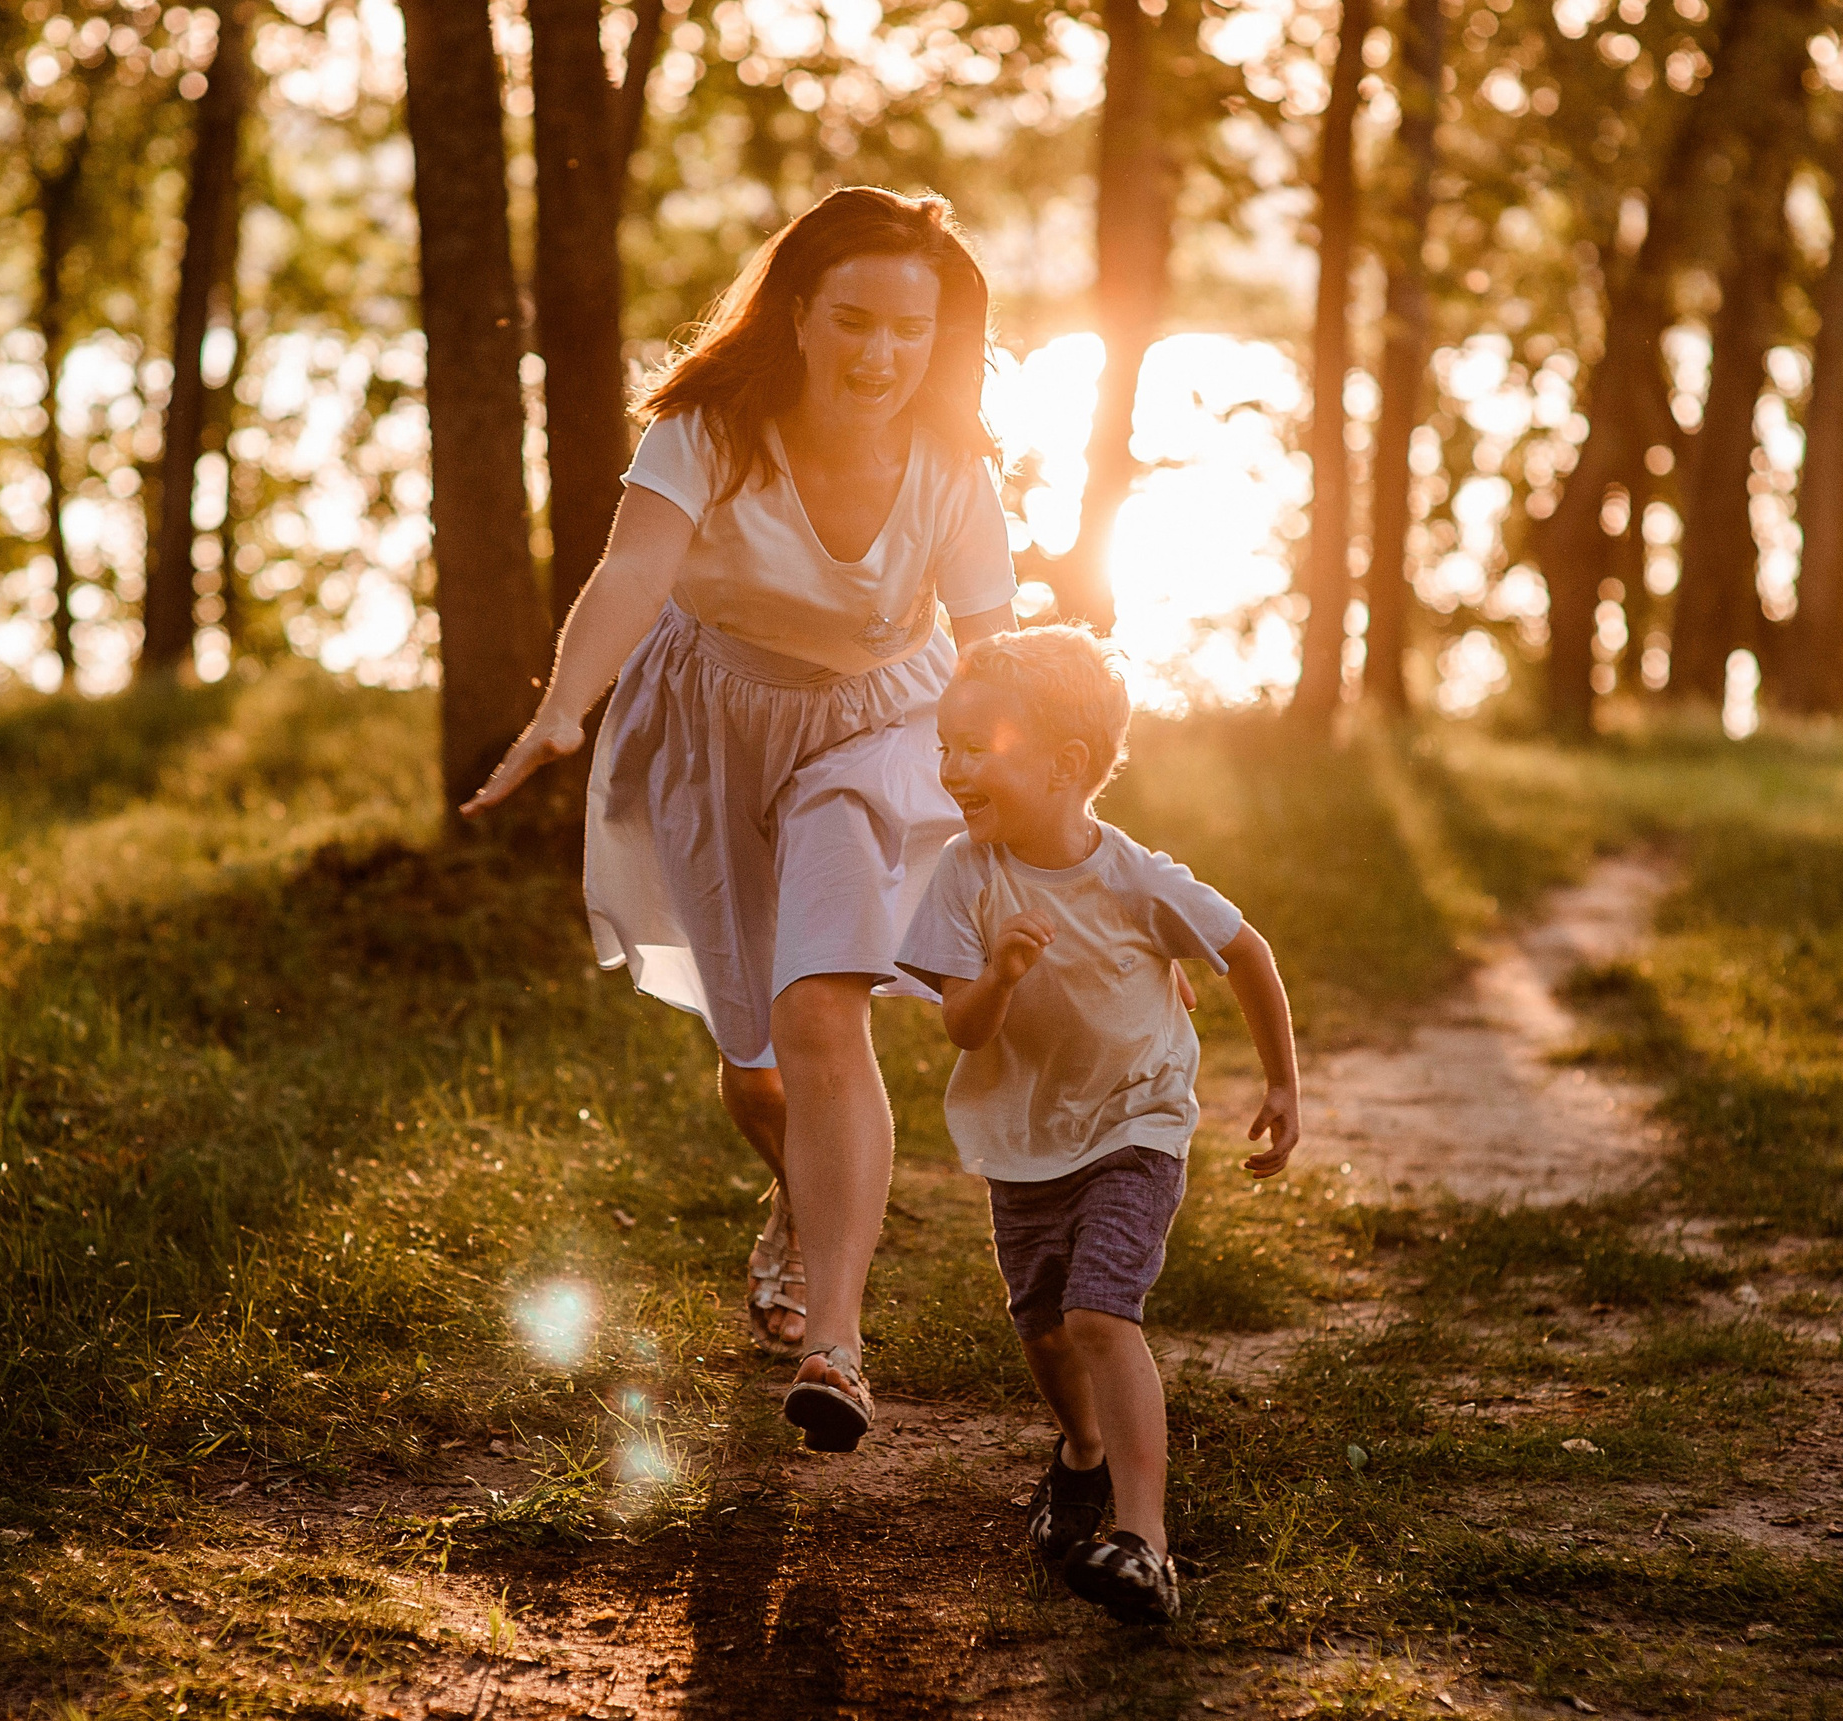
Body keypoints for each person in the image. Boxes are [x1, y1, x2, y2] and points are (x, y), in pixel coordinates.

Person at [462, 187, 1017, 1452]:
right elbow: (632, 571)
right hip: (715, 723)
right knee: (755, 1058)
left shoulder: (951, 465)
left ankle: (837, 1343)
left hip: (874, 733)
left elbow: (992, 647)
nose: (882, 355)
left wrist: (1049, 804)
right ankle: (798, 1192)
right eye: (856, 321)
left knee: (823, 1006)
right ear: (801, 315)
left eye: (911, 331)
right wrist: (560, 711)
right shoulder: (708, 429)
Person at [894, 626, 1302, 1623]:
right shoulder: (962, 873)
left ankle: (1143, 1541)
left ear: (1065, 764)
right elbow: (960, 1025)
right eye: (943, 746)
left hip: (1136, 1123)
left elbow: (1245, 949)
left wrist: (1284, 1083)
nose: (951, 768)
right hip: (1025, 1136)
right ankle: (1078, 1448)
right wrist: (997, 973)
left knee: (1098, 1314)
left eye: (975, 746)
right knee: (1040, 1322)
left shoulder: (1136, 877)